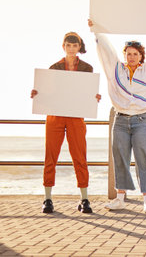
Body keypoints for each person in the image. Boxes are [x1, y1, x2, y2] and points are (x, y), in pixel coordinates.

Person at [88, 19, 146, 213]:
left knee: (143, 159)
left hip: (141, 121)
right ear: (125, 56)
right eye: (128, 54)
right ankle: (120, 198)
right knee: (119, 158)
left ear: (140, 56)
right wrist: (96, 31)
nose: (131, 57)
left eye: (135, 54)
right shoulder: (116, 70)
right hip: (120, 120)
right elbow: (107, 51)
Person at [31, 32, 101, 214]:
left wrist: (94, 97)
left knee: (79, 156)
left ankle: (84, 199)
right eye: (68, 45)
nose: (71, 48)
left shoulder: (87, 68)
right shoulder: (53, 68)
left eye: (74, 45)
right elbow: (48, 93)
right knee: (50, 156)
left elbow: (86, 94)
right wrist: (37, 94)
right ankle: (47, 199)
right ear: (63, 47)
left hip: (76, 116)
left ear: (79, 47)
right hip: (55, 115)